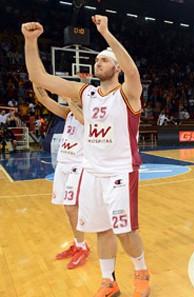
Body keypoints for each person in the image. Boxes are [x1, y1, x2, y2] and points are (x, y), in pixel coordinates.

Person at [23, 15, 151, 296]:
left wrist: (105, 33)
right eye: (97, 61)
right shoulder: (86, 93)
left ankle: (141, 270)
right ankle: (109, 281)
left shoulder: (129, 93)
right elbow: (40, 78)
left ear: (116, 66)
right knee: (101, 230)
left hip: (120, 171)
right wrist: (30, 42)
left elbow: (133, 71)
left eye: (104, 61)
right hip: (91, 171)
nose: (98, 64)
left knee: (124, 231)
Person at [33, 84, 90, 269]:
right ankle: (78, 243)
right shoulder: (69, 112)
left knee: (71, 207)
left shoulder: (90, 113)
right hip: (63, 163)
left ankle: (82, 247)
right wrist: (37, 83)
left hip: (78, 165)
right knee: (67, 209)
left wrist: (69, 100)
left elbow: (85, 122)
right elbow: (44, 99)